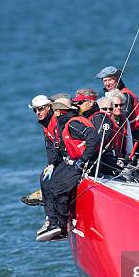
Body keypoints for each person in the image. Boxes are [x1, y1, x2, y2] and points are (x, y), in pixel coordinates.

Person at [38, 97, 100, 241]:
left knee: (58, 189)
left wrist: (84, 160)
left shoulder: (73, 124)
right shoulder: (66, 123)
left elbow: (93, 138)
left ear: (59, 112)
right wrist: (52, 164)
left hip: (81, 163)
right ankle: (53, 222)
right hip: (72, 162)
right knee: (47, 181)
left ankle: (61, 226)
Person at [96, 66, 139, 161]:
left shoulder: (125, 95)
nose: (107, 83)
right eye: (104, 81)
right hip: (122, 136)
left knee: (132, 166)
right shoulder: (114, 94)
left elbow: (122, 115)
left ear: (117, 79)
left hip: (133, 137)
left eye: (109, 80)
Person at [21, 95, 58, 206]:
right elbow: (49, 147)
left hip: (67, 158)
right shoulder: (45, 123)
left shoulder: (56, 121)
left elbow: (59, 146)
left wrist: (54, 164)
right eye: (35, 110)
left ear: (49, 107)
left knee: (52, 181)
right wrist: (51, 164)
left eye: (41, 109)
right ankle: (50, 217)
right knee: (43, 177)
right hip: (56, 158)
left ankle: (53, 215)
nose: (38, 112)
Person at [72, 88, 117, 174]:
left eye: (81, 103)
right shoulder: (87, 117)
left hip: (104, 163)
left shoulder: (99, 117)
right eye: (76, 103)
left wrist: (84, 158)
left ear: (91, 103)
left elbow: (99, 140)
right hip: (92, 160)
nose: (78, 105)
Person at [106, 90, 134, 162]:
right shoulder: (104, 120)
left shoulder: (125, 120)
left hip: (120, 158)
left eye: (121, 105)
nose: (119, 107)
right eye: (115, 105)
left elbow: (129, 143)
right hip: (107, 158)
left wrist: (130, 156)